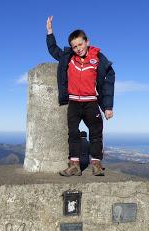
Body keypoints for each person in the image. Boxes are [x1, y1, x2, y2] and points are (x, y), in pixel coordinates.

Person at [46, 16, 115, 177]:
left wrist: (108, 106)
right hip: (74, 102)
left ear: (87, 41)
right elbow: (53, 50)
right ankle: (74, 166)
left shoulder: (98, 58)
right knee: (73, 134)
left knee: (96, 133)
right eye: (74, 46)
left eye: (80, 44)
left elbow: (108, 82)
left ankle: (97, 164)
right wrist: (50, 32)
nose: (78, 48)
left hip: (91, 102)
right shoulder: (68, 57)